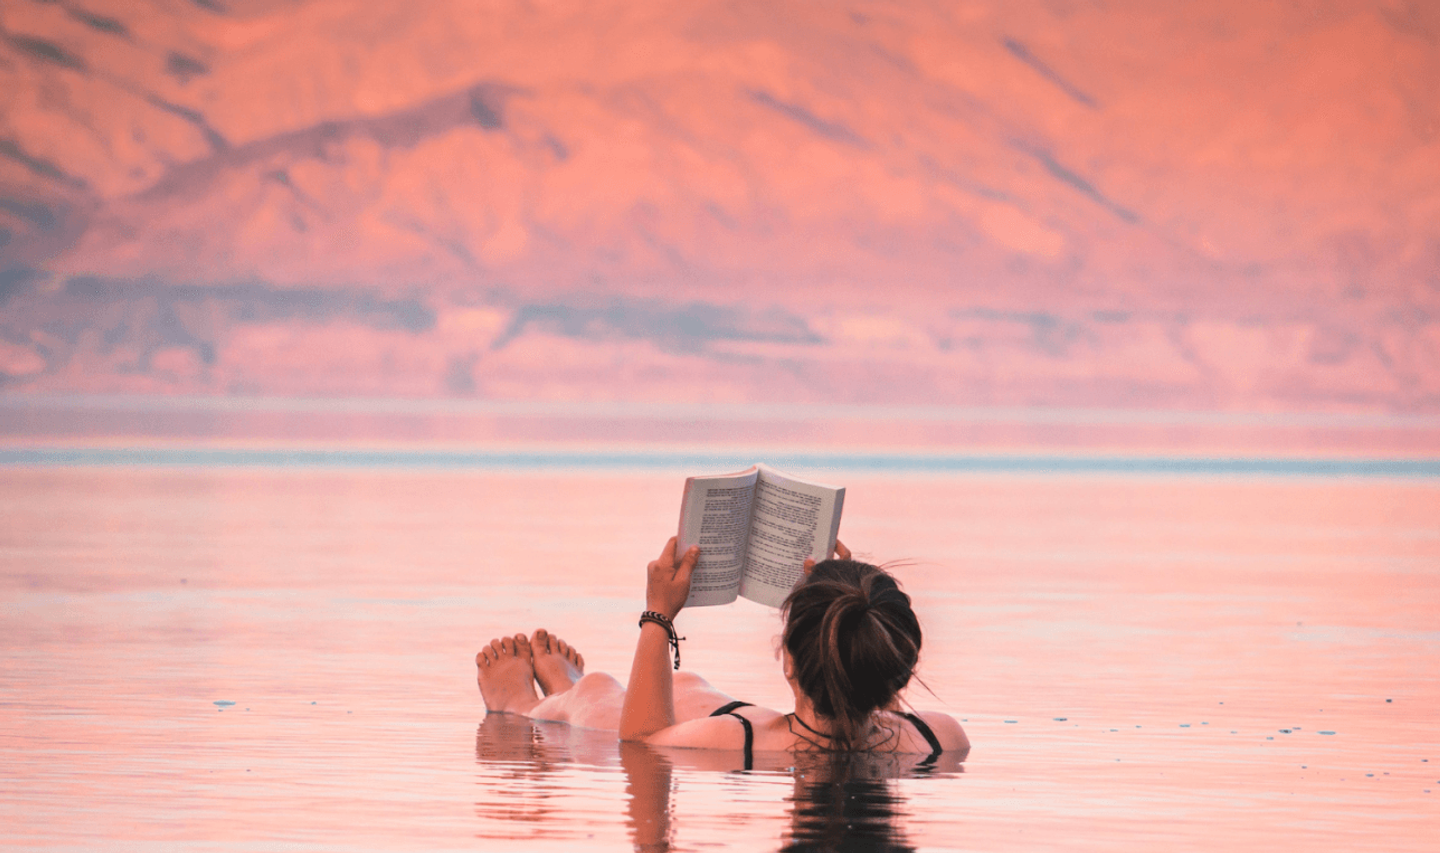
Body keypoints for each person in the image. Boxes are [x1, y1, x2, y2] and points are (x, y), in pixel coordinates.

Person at [476, 537, 969, 764]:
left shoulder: (731, 745)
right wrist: (839, 605)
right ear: (900, 669)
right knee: (688, 686)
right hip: (747, 718)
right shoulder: (941, 737)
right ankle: (565, 688)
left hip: (750, 729)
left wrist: (658, 616)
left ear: (789, 661)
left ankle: (526, 704)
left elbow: (642, 738)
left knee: (603, 696)